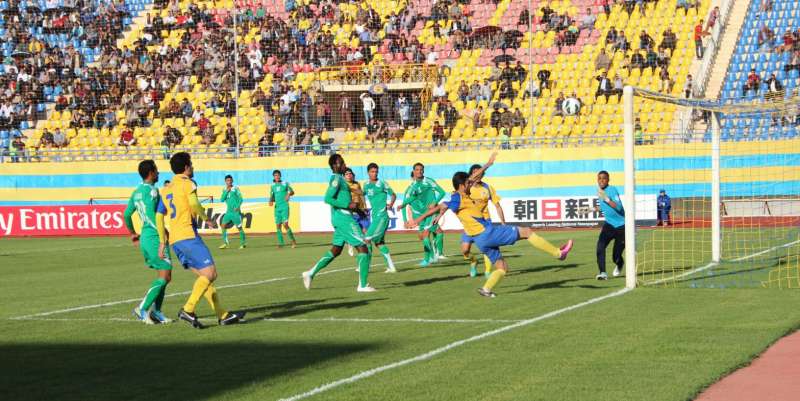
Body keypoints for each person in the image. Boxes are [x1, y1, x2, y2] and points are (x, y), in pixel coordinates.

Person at [408, 152, 573, 297]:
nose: (471, 183)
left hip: (480, 241)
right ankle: (559, 254)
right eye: (468, 183)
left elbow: (442, 205)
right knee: (527, 231)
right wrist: (417, 220)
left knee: (502, 267)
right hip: (487, 232)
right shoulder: (458, 198)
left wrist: (488, 164)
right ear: (461, 185)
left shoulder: (456, 196)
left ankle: (486, 289)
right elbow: (437, 208)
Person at [157, 152, 245, 328]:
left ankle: (223, 315)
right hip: (188, 236)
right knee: (210, 273)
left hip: (175, 240)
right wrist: (207, 219)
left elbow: (159, 215)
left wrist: (162, 241)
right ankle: (188, 310)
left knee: (204, 278)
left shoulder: (166, 189)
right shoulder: (188, 184)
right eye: (191, 164)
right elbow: (195, 204)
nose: (193, 167)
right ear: (186, 167)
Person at [302, 154, 376, 292]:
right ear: (335, 165)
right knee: (363, 247)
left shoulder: (341, 180)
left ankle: (310, 273)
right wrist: (347, 204)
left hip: (340, 217)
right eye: (341, 163)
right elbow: (328, 198)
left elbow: (348, 202)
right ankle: (363, 285)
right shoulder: (336, 179)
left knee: (336, 250)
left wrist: (359, 211)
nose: (344, 164)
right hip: (343, 218)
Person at [123, 160, 173, 324]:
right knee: (165, 275)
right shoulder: (152, 191)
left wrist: (132, 234)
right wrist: (162, 234)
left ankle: (157, 312)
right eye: (156, 171)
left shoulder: (136, 191)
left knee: (164, 275)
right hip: (153, 236)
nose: (158, 173)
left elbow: (126, 214)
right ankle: (142, 308)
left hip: (145, 236)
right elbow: (152, 215)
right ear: (151, 173)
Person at [458, 164, 506, 278]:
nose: (478, 175)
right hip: (470, 223)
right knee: (465, 250)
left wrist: (503, 222)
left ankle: (488, 271)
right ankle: (473, 261)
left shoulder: (488, 188)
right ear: (471, 174)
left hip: (485, 222)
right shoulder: (466, 188)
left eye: (480, 172)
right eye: (476, 172)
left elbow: (497, 206)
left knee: (487, 247)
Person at [397, 162, 447, 266]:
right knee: (423, 237)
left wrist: (434, 202)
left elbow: (442, 192)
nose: (419, 171)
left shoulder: (429, 181)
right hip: (420, 216)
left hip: (430, 213)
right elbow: (407, 201)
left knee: (426, 233)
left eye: (421, 169)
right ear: (413, 171)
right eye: (417, 170)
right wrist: (405, 219)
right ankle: (432, 256)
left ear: (423, 171)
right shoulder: (412, 187)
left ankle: (427, 259)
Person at [588, 170, 626, 280]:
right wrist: (591, 209)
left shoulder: (612, 190)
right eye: (599, 178)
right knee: (600, 246)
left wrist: (606, 198)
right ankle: (603, 273)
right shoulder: (599, 191)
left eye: (604, 178)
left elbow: (618, 207)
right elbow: (604, 207)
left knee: (616, 256)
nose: (601, 180)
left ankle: (619, 264)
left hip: (622, 226)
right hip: (609, 225)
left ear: (608, 180)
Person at [363, 163, 398, 272]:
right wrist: (363, 206)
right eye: (372, 172)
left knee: (367, 239)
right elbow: (362, 195)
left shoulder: (382, 183)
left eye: (376, 172)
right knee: (379, 243)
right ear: (368, 172)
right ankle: (391, 267)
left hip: (382, 217)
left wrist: (391, 204)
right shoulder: (366, 185)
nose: (374, 174)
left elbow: (393, 194)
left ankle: (365, 266)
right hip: (375, 217)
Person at [344, 168, 370, 257]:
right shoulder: (343, 185)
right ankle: (350, 244)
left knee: (365, 231)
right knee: (353, 232)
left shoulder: (356, 184)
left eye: (350, 173)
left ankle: (366, 251)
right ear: (344, 176)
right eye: (346, 174)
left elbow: (361, 195)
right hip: (350, 211)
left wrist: (365, 206)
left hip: (359, 210)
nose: (349, 175)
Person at [269, 169, 297, 248]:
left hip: (284, 207)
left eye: (278, 175)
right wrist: (270, 201)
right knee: (278, 225)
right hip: (277, 208)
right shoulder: (272, 186)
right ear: (273, 177)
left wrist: (288, 195)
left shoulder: (285, 184)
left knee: (285, 224)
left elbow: (292, 192)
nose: (276, 177)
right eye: (275, 175)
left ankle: (293, 241)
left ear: (280, 176)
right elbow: (272, 196)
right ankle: (280, 243)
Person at [219, 175, 247, 249]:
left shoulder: (236, 189)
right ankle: (225, 243)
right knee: (223, 225)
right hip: (228, 212)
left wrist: (238, 207)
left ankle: (243, 243)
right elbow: (222, 199)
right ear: (225, 181)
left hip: (235, 212)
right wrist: (226, 191)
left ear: (232, 181)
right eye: (227, 180)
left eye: (230, 180)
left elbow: (241, 199)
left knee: (239, 228)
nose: (229, 182)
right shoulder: (224, 189)